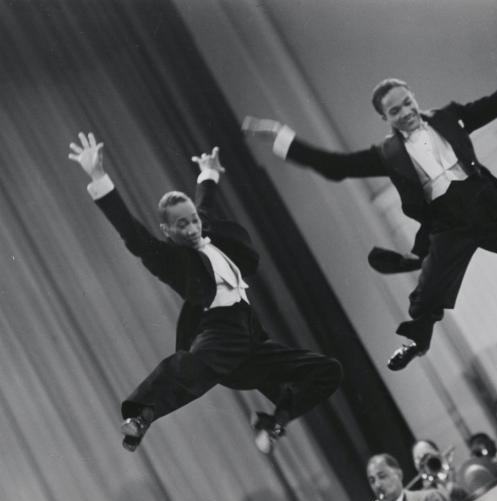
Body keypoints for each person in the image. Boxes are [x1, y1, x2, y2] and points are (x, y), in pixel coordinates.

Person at [243, 10, 497, 371]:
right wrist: (281, 137)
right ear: (384, 120)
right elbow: (335, 166)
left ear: (414, 98)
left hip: (490, 206)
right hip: (448, 223)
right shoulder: (386, 155)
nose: (405, 112)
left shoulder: (451, 118)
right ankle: (414, 345)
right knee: (427, 297)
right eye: (394, 110)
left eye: (407, 102)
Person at [68, 132, 343, 454]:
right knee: (187, 369)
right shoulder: (171, 259)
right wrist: (99, 177)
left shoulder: (206, 230)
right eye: (182, 225)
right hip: (221, 329)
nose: (192, 228)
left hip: (251, 336)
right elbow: (133, 233)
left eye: (193, 221)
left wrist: (208, 173)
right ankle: (141, 419)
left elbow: (205, 204)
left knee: (327, 370)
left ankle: (274, 421)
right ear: (168, 231)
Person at [366, 453, 464, 501]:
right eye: (372, 481)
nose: (377, 485)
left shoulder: (430, 498)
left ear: (399, 474)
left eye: (382, 476)